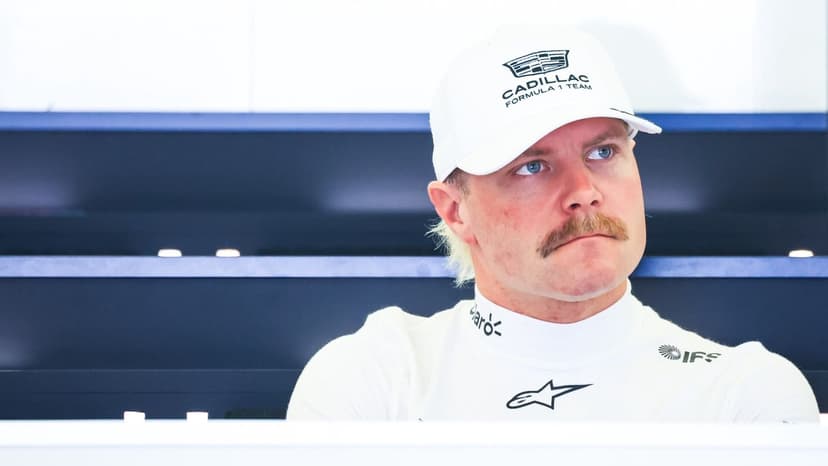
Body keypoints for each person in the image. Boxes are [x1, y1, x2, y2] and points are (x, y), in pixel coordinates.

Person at [287, 27, 819, 421]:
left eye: (603, 152)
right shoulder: (372, 382)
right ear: (455, 210)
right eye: (532, 167)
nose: (583, 190)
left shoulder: (744, 394)